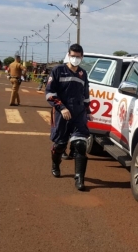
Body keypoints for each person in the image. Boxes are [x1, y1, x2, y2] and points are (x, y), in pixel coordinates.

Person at [45, 43, 91, 191]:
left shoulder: (83, 74)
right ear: (68, 55)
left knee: (80, 145)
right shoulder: (58, 70)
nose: (75, 59)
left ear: (82, 57)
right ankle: (55, 164)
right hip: (62, 113)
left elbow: (86, 95)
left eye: (78, 57)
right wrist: (61, 107)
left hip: (78, 114)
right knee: (60, 145)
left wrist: (87, 111)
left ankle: (79, 178)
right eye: (73, 56)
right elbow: (50, 94)